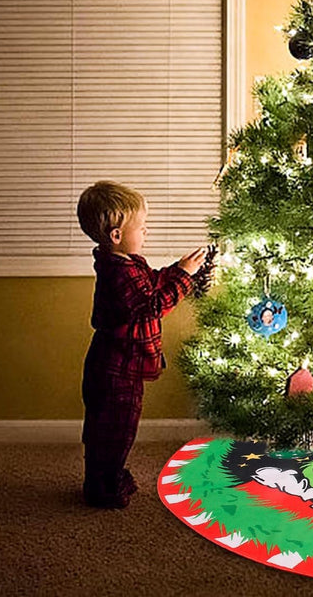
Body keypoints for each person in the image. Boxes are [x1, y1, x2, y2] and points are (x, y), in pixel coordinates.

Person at [76, 181, 207, 509]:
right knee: (111, 430)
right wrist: (185, 278)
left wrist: (179, 270)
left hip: (122, 365)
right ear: (117, 235)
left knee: (119, 429)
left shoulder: (128, 264)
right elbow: (152, 305)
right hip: (114, 370)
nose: (147, 232)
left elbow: (152, 283)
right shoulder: (118, 273)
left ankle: (109, 475)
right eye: (142, 227)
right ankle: (102, 488)